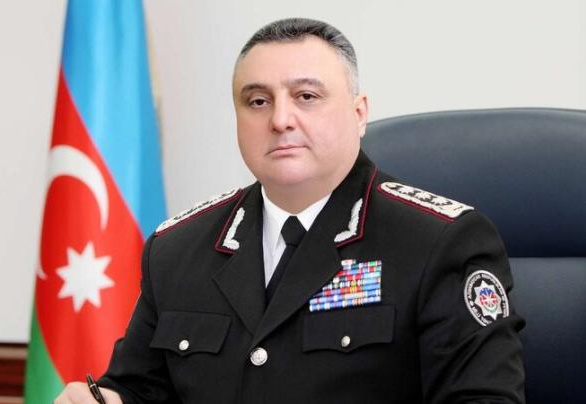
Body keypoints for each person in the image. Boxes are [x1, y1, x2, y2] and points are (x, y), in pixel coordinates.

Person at [55, 18, 525, 404]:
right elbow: (140, 390)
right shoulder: (176, 249)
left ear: (359, 113)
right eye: (258, 101)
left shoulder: (438, 242)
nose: (280, 120)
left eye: (306, 97)